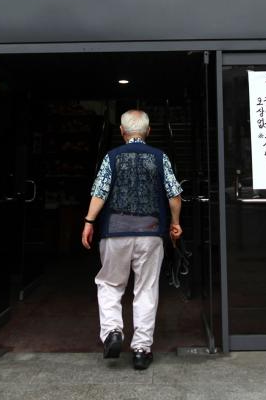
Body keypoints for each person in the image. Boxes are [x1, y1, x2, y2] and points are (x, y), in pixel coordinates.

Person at [81, 109, 183, 370]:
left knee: (109, 284)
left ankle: (113, 332)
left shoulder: (112, 157)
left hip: (115, 232)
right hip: (151, 233)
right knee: (146, 289)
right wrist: (175, 223)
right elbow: (174, 194)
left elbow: (100, 192)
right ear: (148, 132)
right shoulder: (160, 157)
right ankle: (141, 349)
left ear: (123, 132)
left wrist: (89, 221)